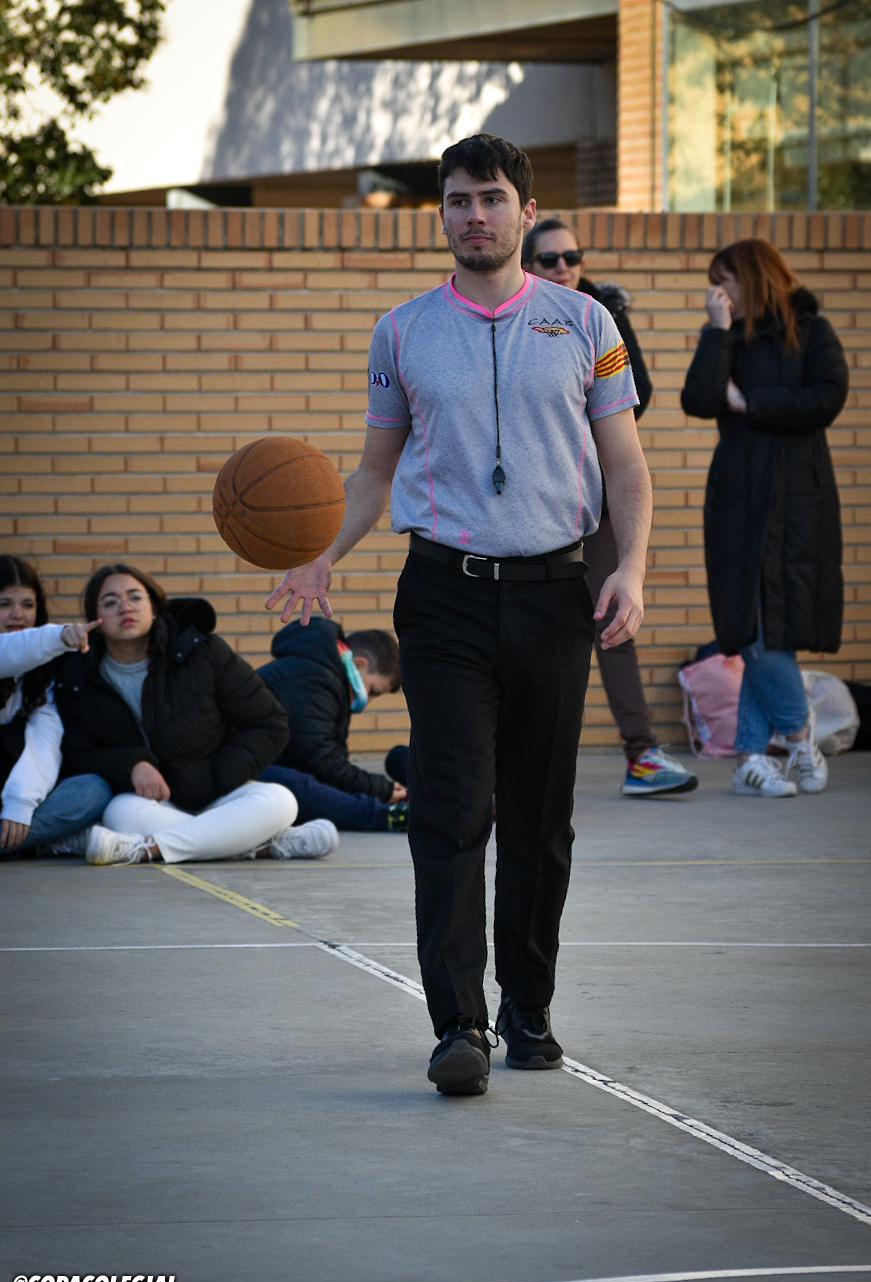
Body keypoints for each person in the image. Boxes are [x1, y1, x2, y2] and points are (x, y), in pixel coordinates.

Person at [266, 134, 652, 1096]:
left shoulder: (586, 322)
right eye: (455, 200)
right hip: (440, 595)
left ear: (524, 210)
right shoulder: (400, 330)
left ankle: (528, 1009)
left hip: (553, 592)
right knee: (450, 809)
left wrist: (632, 570)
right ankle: (458, 1026)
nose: (472, 214)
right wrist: (321, 554)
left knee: (540, 818)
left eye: (489, 198)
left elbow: (627, 467)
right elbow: (374, 471)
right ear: (439, 214)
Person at [522, 218, 696, 798]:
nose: (563, 266)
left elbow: (633, 397)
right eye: (549, 259)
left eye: (572, 255)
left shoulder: (599, 315)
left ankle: (642, 752)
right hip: (523, 503)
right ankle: (507, 767)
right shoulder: (512, 314)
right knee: (526, 628)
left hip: (590, 495)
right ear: (528, 263)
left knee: (613, 614)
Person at [681, 239, 848, 797]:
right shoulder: (729, 336)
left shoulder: (812, 331)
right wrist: (716, 330)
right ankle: (799, 736)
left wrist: (748, 403)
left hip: (799, 498)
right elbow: (700, 398)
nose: (717, 291)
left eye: (723, 280)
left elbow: (825, 400)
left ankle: (753, 757)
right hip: (737, 498)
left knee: (770, 622)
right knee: (750, 623)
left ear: (753, 278)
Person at [53, 564, 339, 864]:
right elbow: (76, 753)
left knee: (280, 801)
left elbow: (271, 724)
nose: (125, 607)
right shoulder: (79, 677)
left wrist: (216, 777)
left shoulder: (202, 652)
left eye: (135, 597)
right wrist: (132, 765)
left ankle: (144, 849)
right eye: (110, 602)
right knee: (118, 812)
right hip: (150, 803)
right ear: (94, 618)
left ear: (154, 607)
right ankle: (259, 846)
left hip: (220, 796)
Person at [0, 555, 110, 856]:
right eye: (4, 604)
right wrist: (59, 636)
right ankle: (37, 843)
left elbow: (44, 741)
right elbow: (10, 652)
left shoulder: (43, 673)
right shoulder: (31, 646)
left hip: (10, 800)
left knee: (92, 789)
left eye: (27, 605)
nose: (16, 615)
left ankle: (17, 842)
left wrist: (19, 803)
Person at [258, 618, 409, 830]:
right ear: (359, 664)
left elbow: (329, 759)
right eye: (373, 691)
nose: (367, 701)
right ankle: (387, 816)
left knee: (313, 786)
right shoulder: (314, 677)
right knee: (296, 786)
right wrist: (379, 789)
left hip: (260, 766)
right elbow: (318, 758)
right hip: (243, 772)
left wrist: (374, 789)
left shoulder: (326, 675)